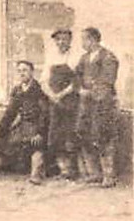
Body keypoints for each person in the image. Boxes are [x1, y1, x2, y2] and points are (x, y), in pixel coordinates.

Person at [75, 27, 120, 187]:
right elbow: (77, 76)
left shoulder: (108, 57)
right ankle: (94, 173)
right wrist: (80, 89)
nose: (82, 43)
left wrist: (91, 92)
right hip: (86, 106)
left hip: (103, 105)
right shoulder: (84, 58)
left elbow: (107, 81)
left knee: (103, 136)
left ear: (92, 39)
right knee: (84, 134)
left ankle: (109, 175)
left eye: (84, 39)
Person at [40, 28, 79, 181]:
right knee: (55, 135)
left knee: (70, 134)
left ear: (70, 40)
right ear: (55, 41)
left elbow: (76, 82)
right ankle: (62, 169)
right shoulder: (51, 57)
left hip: (70, 101)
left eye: (64, 39)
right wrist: (52, 95)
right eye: (58, 39)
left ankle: (72, 170)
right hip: (54, 102)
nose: (61, 42)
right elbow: (44, 80)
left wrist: (61, 95)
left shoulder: (75, 57)